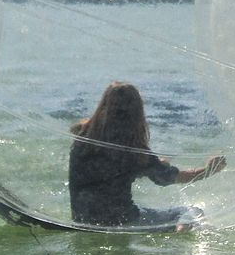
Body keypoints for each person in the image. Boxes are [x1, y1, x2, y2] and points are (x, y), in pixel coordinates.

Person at [68, 81, 226, 230]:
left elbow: (109, 170)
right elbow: (168, 178)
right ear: (137, 112)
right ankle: (181, 228)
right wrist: (208, 170)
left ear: (103, 105)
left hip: (83, 220)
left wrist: (154, 165)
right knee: (192, 211)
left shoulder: (82, 136)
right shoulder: (135, 151)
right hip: (124, 221)